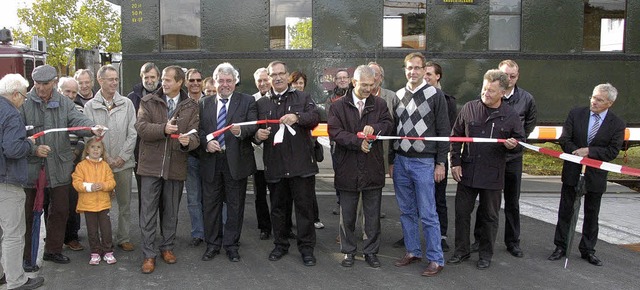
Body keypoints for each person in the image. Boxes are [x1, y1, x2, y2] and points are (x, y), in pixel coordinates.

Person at [21, 65, 104, 267]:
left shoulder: (64, 103)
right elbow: (17, 137)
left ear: (54, 83)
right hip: (32, 169)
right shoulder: (23, 104)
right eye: (38, 84)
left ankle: (53, 250)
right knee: (29, 214)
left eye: (45, 84)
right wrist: (34, 150)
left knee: (60, 211)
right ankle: (27, 257)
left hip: (59, 167)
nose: (40, 88)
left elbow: (78, 121)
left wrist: (92, 128)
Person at [447, 69, 525, 270]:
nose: (485, 94)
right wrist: (455, 163)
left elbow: (520, 141)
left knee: (490, 217)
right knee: (462, 213)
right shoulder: (469, 108)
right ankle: (461, 251)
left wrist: (513, 145)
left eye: (491, 91)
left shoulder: (510, 115)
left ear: (502, 92)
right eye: (484, 89)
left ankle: (485, 254)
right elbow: (455, 137)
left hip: (493, 173)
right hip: (468, 170)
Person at [548, 83, 625, 267]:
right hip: (573, 171)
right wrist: (576, 152)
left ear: (610, 103)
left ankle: (588, 250)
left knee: (592, 213)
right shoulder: (576, 114)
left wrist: (589, 152)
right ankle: (561, 246)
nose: (594, 102)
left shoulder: (617, 124)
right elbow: (564, 139)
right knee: (566, 210)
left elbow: (613, 151)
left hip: (596, 176)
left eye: (599, 100)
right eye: (593, 97)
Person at [254, 60, 320, 266]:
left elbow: (315, 117)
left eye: (281, 74)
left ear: (287, 75)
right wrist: (257, 135)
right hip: (275, 165)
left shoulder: (303, 97)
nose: (278, 78)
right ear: (268, 78)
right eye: (273, 75)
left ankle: (306, 249)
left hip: (301, 165)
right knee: (278, 209)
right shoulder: (261, 104)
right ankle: (280, 244)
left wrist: (297, 116)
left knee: (304, 210)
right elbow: (253, 132)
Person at [389, 52, 449, 277]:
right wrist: (392, 160)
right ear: (404, 70)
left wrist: (441, 162)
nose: (412, 72)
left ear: (425, 71)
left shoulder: (436, 95)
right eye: (409, 68)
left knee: (428, 213)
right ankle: (412, 251)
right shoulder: (398, 95)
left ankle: (436, 258)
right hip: (402, 161)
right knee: (406, 211)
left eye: (417, 68)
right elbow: (394, 130)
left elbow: (444, 132)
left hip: (425, 162)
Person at [135, 65, 200, 274]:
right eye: (163, 79)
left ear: (180, 82)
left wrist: (185, 142)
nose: (164, 82)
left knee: (171, 211)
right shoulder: (148, 101)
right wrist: (163, 129)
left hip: (175, 166)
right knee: (148, 212)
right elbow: (141, 128)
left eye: (168, 79)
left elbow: (196, 136)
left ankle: (168, 247)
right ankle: (148, 254)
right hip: (150, 166)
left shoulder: (191, 105)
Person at [328, 65, 393, 268]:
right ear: (354, 82)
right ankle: (348, 251)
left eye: (371, 85)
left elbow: (389, 124)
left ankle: (371, 252)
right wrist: (358, 142)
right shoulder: (338, 106)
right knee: (347, 214)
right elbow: (334, 131)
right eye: (364, 85)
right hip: (347, 167)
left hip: (372, 167)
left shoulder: (380, 104)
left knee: (372, 215)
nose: (368, 89)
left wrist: (375, 128)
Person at [470, 59, 537, 258]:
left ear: (518, 76)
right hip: (489, 159)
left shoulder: (526, 99)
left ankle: (512, 242)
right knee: (486, 202)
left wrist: (515, 141)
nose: (508, 79)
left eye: (512, 76)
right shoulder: (487, 95)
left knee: (512, 201)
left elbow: (529, 125)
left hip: (512, 159)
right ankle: (480, 239)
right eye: (505, 75)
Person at [199, 63, 257, 262]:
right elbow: (198, 131)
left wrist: (241, 131)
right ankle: (212, 244)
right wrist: (206, 143)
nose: (225, 85)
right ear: (215, 82)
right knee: (210, 206)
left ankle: (232, 245)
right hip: (211, 162)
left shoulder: (247, 101)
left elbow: (253, 125)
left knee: (235, 206)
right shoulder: (204, 103)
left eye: (229, 81)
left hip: (236, 163)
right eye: (221, 81)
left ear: (235, 82)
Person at [84, 64, 137, 252]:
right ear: (100, 80)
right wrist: (105, 158)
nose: (115, 82)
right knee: (99, 205)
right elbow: (88, 137)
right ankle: (101, 241)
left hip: (123, 164)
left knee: (125, 204)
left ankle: (124, 237)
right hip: (99, 165)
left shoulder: (127, 103)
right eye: (110, 79)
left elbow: (133, 132)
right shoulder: (90, 106)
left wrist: (122, 157)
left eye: (116, 79)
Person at [0, 73, 45, 290]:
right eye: (24, 97)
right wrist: (28, 143)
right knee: (13, 234)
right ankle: (16, 280)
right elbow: (13, 149)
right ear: (16, 94)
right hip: (7, 180)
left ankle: (3, 273)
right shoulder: (12, 114)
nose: (24, 100)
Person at [71, 137, 117, 265]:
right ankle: (95, 252)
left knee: (106, 229)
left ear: (102, 151)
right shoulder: (81, 166)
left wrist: (103, 186)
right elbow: (77, 183)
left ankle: (108, 251)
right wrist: (90, 187)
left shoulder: (105, 166)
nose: (96, 150)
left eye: (99, 147)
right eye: (92, 147)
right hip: (88, 205)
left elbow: (112, 182)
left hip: (103, 204)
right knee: (92, 231)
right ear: (87, 150)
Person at [288, 70, 324, 230]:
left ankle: (314, 218)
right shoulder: (287, 100)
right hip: (290, 151)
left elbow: (314, 119)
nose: (298, 85)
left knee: (308, 190)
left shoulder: (308, 101)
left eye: (301, 83)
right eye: (295, 83)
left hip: (307, 150)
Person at [126, 62, 161, 208]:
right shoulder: (132, 98)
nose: (149, 81)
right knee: (144, 194)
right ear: (141, 77)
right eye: (146, 77)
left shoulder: (165, 95)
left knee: (163, 196)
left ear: (158, 77)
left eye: (152, 77)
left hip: (161, 150)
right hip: (140, 152)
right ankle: (145, 228)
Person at [57, 77, 85, 252]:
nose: (71, 95)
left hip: (73, 160)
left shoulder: (79, 109)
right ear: (59, 90)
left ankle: (72, 237)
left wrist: (75, 153)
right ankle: (56, 237)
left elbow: (83, 136)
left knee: (74, 200)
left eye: (74, 92)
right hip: (54, 162)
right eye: (67, 91)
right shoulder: (51, 109)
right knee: (54, 202)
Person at [251, 67, 275, 240]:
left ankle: (283, 226)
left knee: (280, 195)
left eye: (265, 79)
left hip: (277, 156)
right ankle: (264, 227)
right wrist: (256, 136)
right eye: (259, 80)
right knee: (260, 195)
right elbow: (248, 127)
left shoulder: (279, 99)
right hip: (258, 157)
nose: (263, 83)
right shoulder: (251, 101)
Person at [184, 68, 206, 247]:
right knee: (193, 197)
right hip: (190, 157)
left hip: (209, 156)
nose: (195, 83)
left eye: (199, 80)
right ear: (186, 82)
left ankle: (216, 230)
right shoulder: (181, 104)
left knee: (213, 197)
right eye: (192, 80)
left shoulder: (211, 101)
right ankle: (198, 233)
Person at [328, 69, 351, 216]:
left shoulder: (356, 95)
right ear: (335, 81)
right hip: (337, 143)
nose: (342, 80)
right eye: (339, 78)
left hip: (353, 141)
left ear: (349, 80)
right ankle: (340, 202)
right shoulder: (330, 99)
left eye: (345, 77)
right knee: (339, 173)